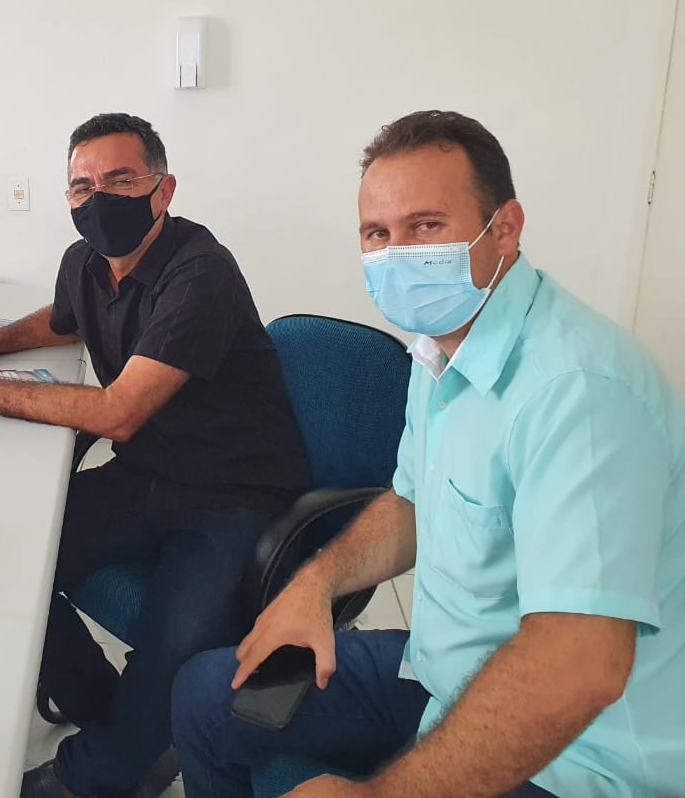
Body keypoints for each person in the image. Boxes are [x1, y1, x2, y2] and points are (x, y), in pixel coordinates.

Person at [170, 110, 685, 798]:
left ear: (504, 228)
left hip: (577, 755)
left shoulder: (579, 393)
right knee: (206, 698)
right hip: (443, 679)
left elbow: (578, 669)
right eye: (377, 235)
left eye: (426, 226)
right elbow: (410, 502)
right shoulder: (440, 347)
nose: (398, 256)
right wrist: (316, 584)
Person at [0, 113, 311, 798]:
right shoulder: (84, 261)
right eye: (82, 187)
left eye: (121, 180)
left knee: (174, 650)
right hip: (146, 474)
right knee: (1, 561)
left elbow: (118, 412)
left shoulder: (200, 272)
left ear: (163, 189)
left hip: (233, 494)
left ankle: (99, 776)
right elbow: (64, 319)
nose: (99, 199)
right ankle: (109, 717)